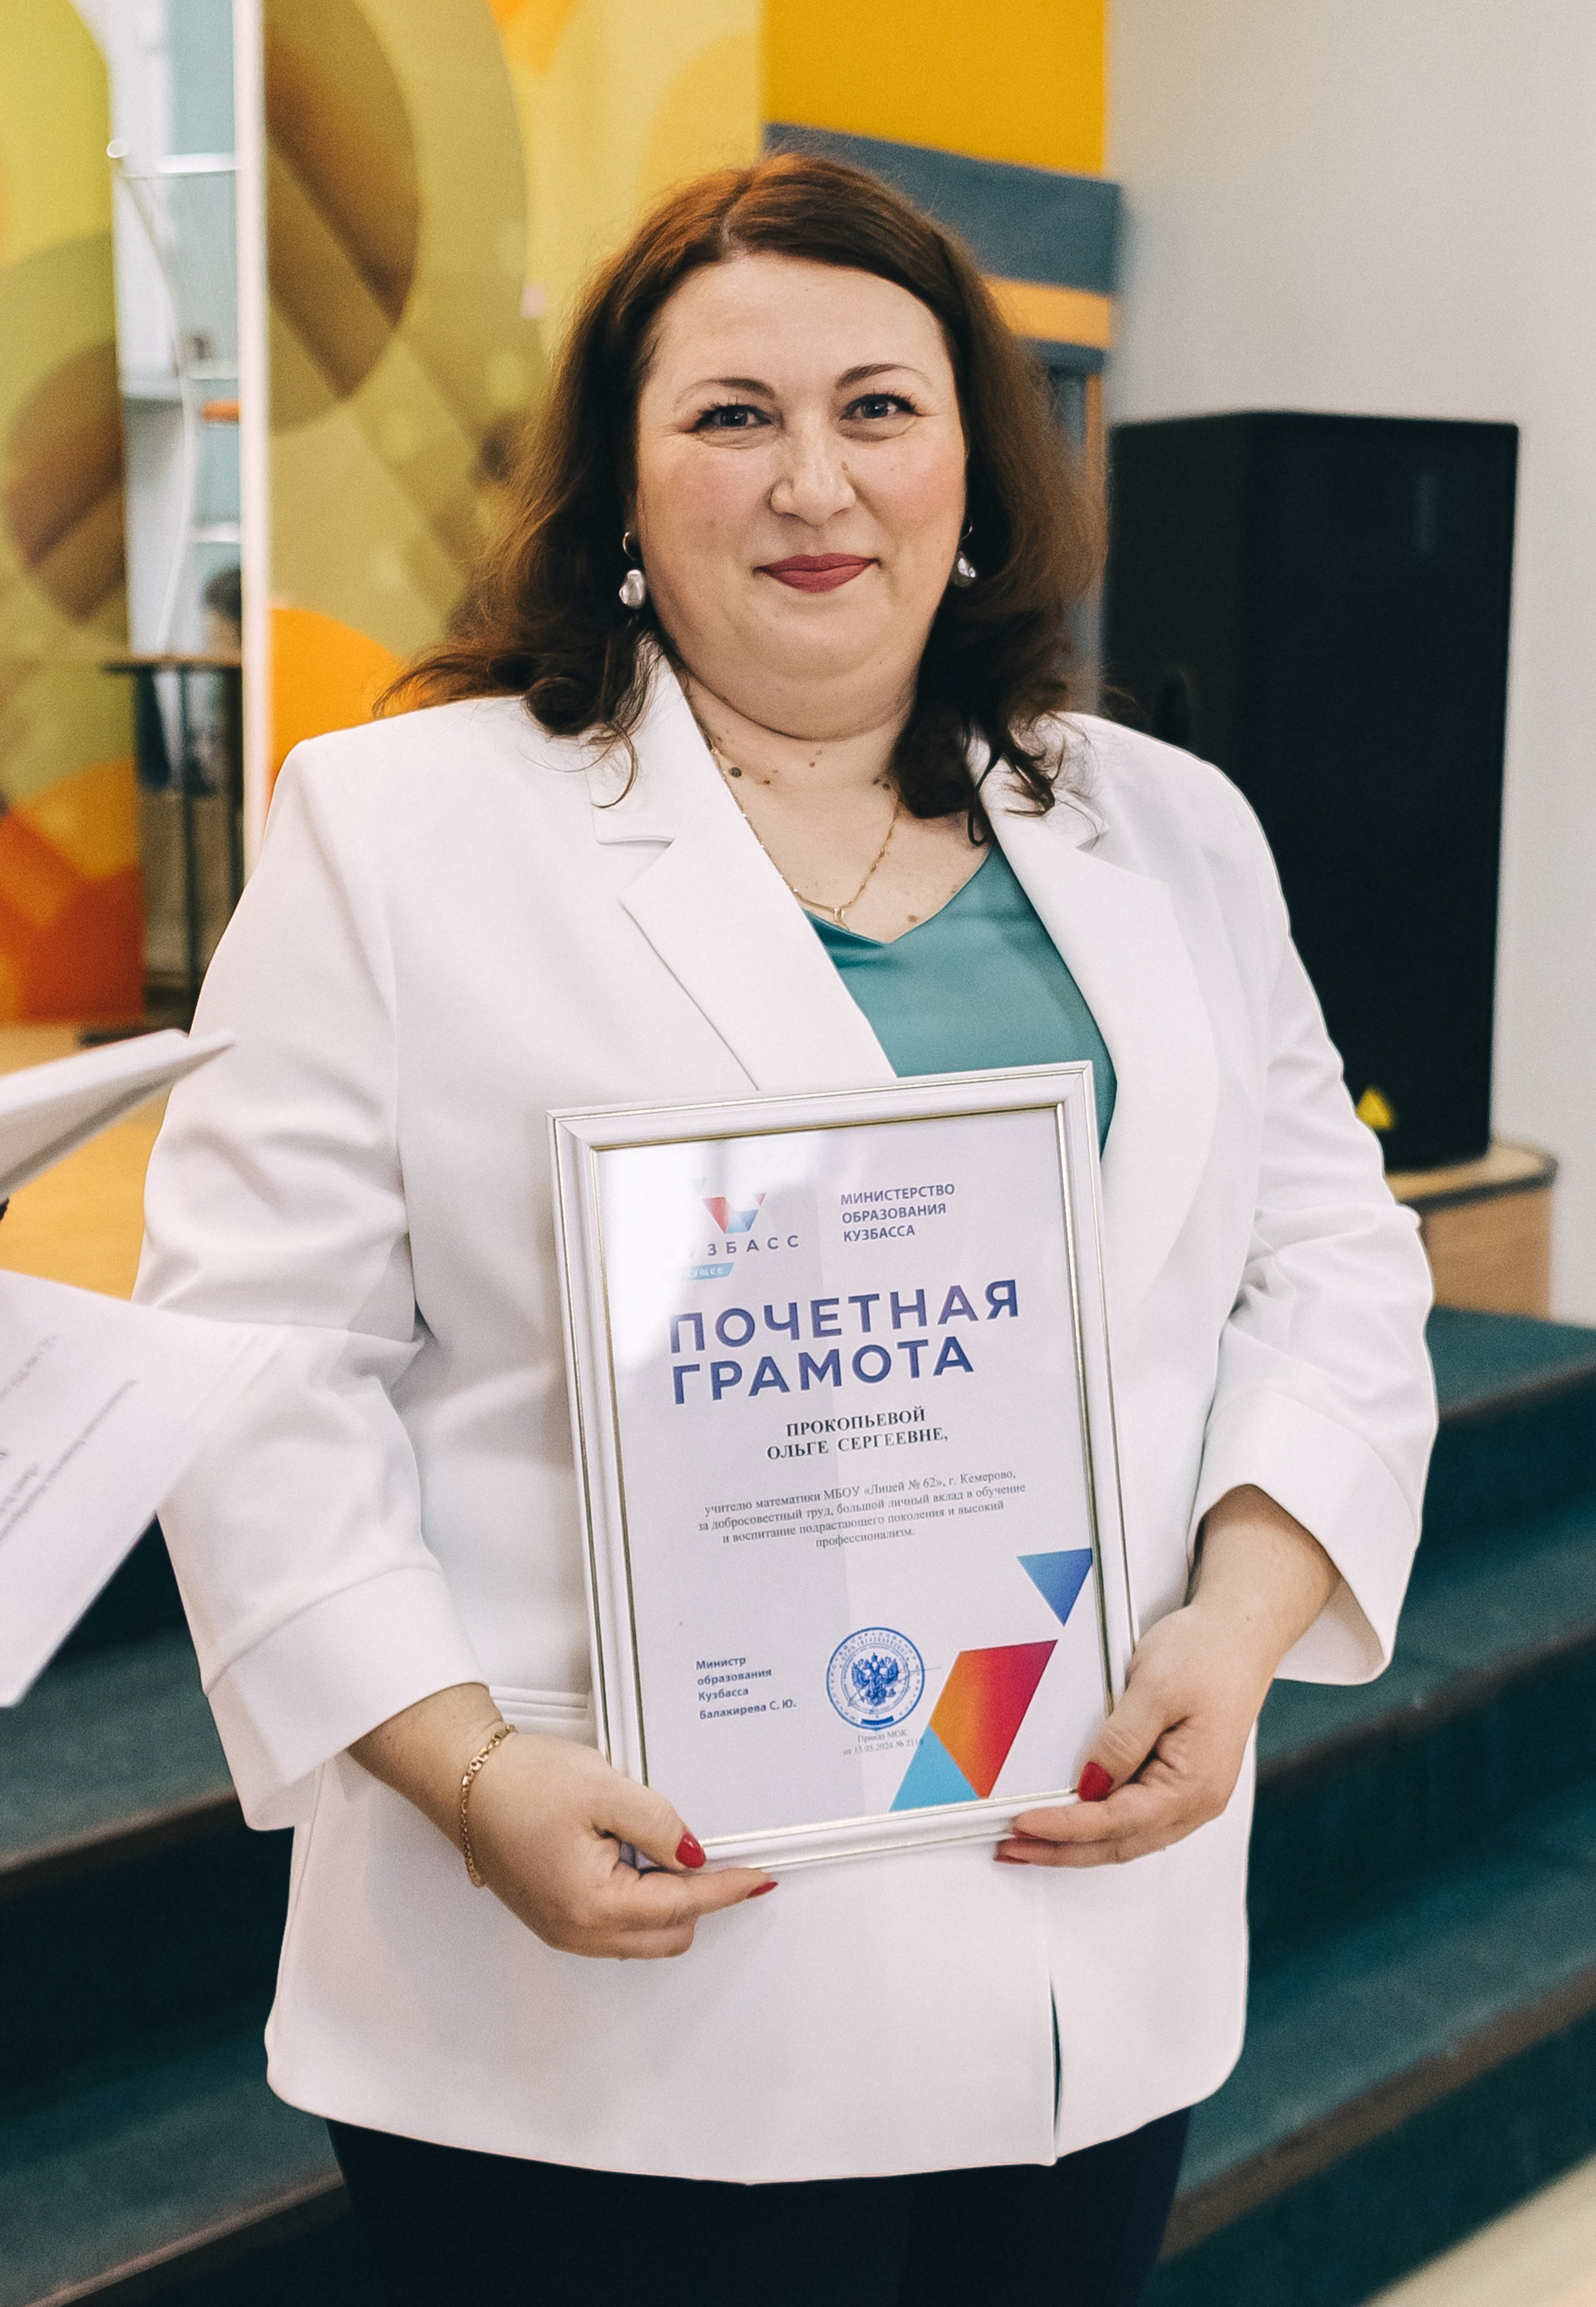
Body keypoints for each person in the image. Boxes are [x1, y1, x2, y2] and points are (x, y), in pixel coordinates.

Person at [136, 156, 1436, 2305]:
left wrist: (1234, 1631)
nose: (814, 481)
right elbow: (256, 1370)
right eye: (731, 415)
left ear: (976, 471)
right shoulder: (400, 829)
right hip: (607, 1982)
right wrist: (466, 1773)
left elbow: (1332, 1263)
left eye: (880, 409)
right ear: (622, 491)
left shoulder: (1168, 826)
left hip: (1072, 1950)